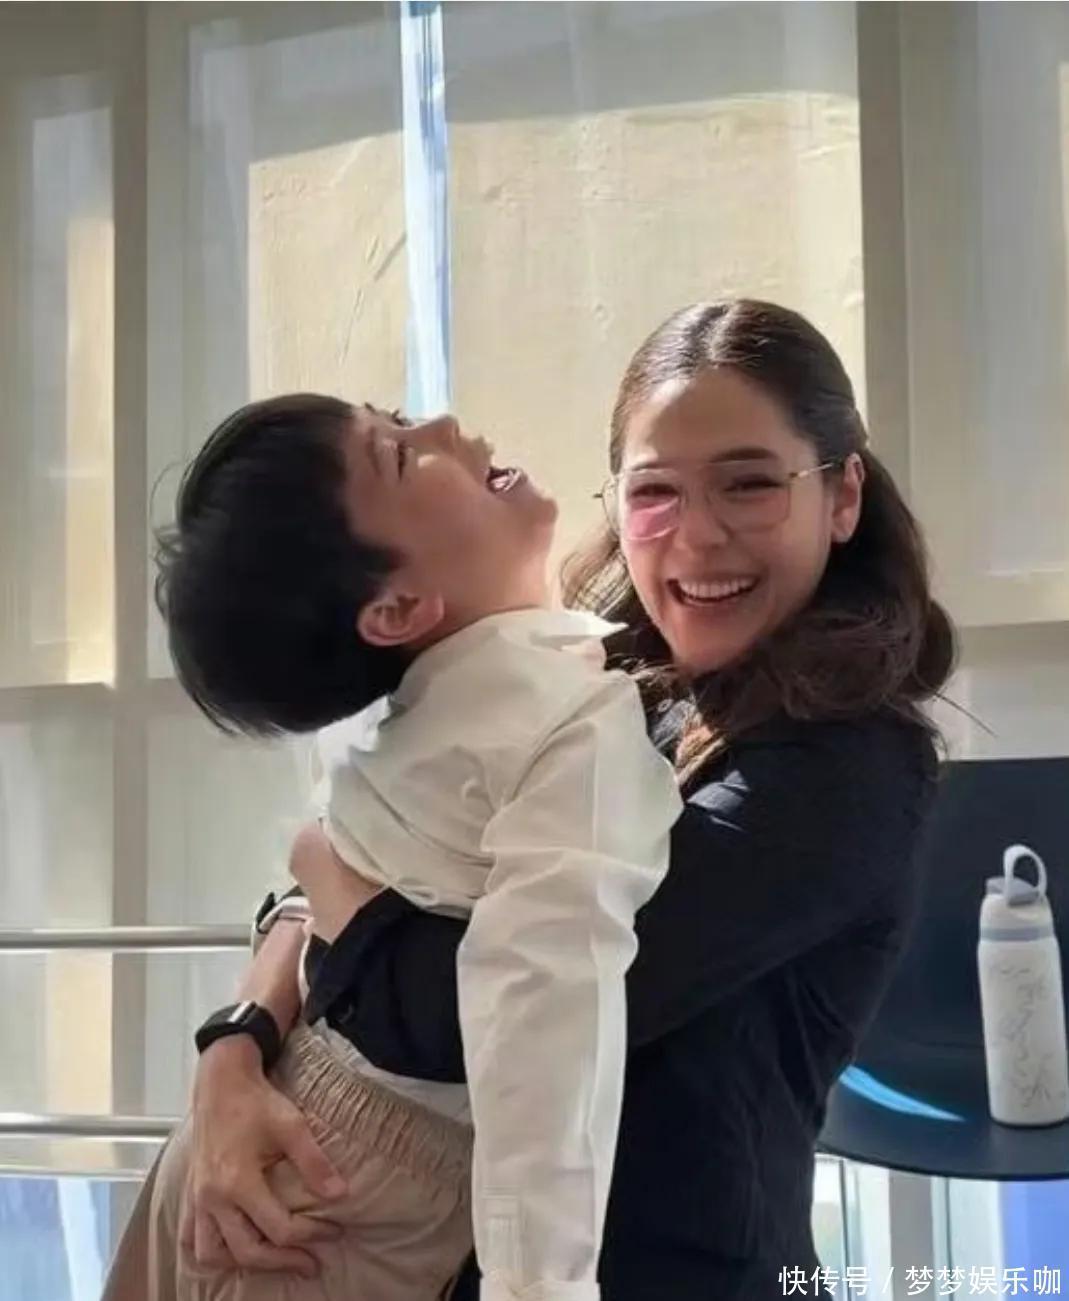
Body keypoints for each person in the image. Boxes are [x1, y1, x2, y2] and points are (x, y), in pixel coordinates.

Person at [167, 300, 957, 1300]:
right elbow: (390, 851)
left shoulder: (845, 766)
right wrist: (237, 1043)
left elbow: (479, 1015)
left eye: (750, 483)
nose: (698, 534)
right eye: (655, 490)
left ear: (840, 496)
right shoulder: (573, 671)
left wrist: (322, 866)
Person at [102, 392, 681, 1301]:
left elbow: (323, 877)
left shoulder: (427, 709)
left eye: (402, 419)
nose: (445, 426)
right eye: (402, 454)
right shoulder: (565, 722)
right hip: (327, 1203)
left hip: (262, 1153)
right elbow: (542, 1018)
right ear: (398, 606)